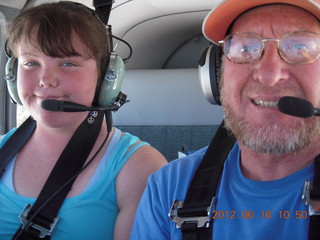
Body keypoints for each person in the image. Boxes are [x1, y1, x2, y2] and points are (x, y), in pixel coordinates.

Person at [130, 0, 320, 239]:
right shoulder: (169, 187)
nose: (269, 75)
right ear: (217, 74)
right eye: (245, 49)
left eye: (301, 46)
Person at [0, 2, 167, 240]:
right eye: (31, 63)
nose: (46, 80)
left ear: (106, 79)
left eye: (68, 63)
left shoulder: (138, 168)